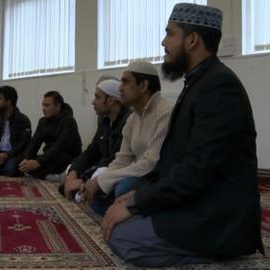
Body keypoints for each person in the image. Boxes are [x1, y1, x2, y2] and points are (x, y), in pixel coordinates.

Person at [103, 3, 264, 267]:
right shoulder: (199, 82)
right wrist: (136, 196)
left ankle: (222, 257)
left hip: (217, 213)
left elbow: (196, 169)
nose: (163, 42)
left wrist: (136, 205)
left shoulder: (220, 87)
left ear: (192, 40)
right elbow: (174, 159)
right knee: (121, 204)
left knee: (123, 235)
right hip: (196, 198)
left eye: (169, 33)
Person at [81, 61, 173, 215]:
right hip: (138, 174)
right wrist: (99, 181)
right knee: (99, 193)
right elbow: (122, 160)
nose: (120, 88)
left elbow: (151, 164)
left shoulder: (165, 112)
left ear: (143, 86)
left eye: (125, 81)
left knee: (123, 187)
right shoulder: (133, 119)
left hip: (158, 178)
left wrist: (103, 181)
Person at [61, 77, 131, 200]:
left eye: (98, 97)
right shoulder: (105, 122)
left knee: (101, 173)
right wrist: (74, 172)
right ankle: (81, 190)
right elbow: (91, 152)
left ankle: (83, 191)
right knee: (69, 170)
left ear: (110, 100)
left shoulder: (128, 122)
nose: (93, 102)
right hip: (102, 166)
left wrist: (84, 177)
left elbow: (116, 159)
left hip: (116, 169)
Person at [19, 91, 82, 180]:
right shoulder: (42, 121)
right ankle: (49, 176)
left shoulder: (69, 121)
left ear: (58, 106)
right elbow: (34, 143)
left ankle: (54, 175)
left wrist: (38, 162)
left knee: (57, 160)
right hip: (49, 156)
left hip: (66, 156)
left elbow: (60, 145)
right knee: (21, 162)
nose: (43, 109)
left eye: (47, 105)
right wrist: (26, 158)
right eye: (43, 105)